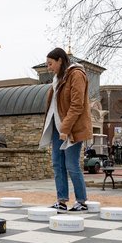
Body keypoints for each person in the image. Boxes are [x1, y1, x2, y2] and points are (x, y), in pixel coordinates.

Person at [38, 47, 92, 213]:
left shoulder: (76, 74)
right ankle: (61, 201)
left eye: (50, 63)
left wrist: (66, 128)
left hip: (72, 128)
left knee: (71, 164)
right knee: (57, 164)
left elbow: (77, 105)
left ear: (60, 60)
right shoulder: (57, 79)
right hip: (57, 127)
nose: (48, 67)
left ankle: (81, 201)